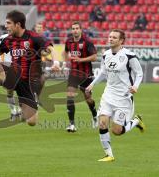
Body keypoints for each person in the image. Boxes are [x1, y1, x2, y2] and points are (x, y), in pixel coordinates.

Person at [86, 29, 145, 162]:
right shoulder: (106, 55)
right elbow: (102, 72)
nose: (110, 39)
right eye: (110, 36)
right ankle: (109, 155)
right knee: (102, 123)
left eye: (114, 37)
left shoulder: (130, 56)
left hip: (123, 97)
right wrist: (92, 84)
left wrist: (135, 86)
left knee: (117, 131)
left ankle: (136, 121)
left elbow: (139, 73)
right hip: (108, 94)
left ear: (121, 40)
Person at [62, 21, 98, 132]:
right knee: (70, 95)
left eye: (77, 28)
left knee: (88, 99)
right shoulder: (69, 41)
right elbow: (65, 52)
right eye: (73, 28)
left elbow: (94, 57)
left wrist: (81, 59)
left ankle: (95, 115)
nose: (75, 30)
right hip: (73, 73)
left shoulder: (87, 41)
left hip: (86, 74)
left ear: (81, 29)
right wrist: (65, 63)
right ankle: (72, 124)